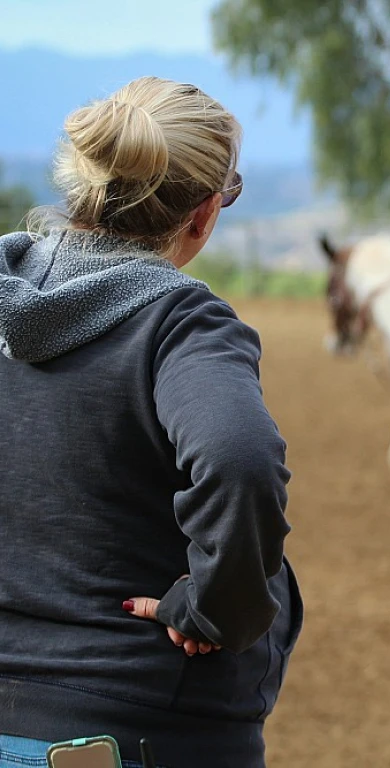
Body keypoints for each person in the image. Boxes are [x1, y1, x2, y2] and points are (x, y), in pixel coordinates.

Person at [0, 77, 302, 768]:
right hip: (136, 728)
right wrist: (218, 609)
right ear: (202, 214)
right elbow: (239, 458)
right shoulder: (181, 324)